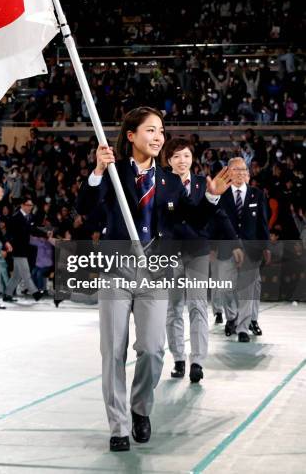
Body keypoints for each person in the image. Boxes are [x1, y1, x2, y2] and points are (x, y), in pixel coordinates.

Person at [77, 106, 232, 452]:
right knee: (112, 352)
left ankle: (140, 409)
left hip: (155, 272)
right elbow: (85, 209)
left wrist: (211, 196)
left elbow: (192, 219)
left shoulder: (170, 182)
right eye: (150, 130)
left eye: (161, 131)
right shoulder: (114, 174)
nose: (158, 137)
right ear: (131, 136)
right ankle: (118, 425)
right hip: (117, 270)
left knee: (152, 349)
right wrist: (99, 171)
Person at [164, 138, 242, 383]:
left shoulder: (203, 184)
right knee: (173, 307)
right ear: (168, 161)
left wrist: (235, 242)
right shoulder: (161, 185)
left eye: (186, 155)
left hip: (198, 252)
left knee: (197, 305)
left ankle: (197, 361)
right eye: (176, 156)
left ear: (192, 159)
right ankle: (178, 357)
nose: (182, 161)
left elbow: (220, 215)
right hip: (170, 254)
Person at [218, 157, 271, 341]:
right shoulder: (221, 195)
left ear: (247, 174)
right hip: (226, 250)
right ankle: (232, 317)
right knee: (225, 287)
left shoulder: (258, 194)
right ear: (228, 173)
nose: (239, 173)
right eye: (235, 169)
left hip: (251, 250)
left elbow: (262, 224)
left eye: (243, 170)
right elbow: (216, 224)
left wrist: (266, 247)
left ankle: (243, 328)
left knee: (248, 290)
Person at [3, 196, 44, 303]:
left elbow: (33, 230)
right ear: (22, 205)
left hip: (25, 250)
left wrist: (45, 234)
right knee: (26, 273)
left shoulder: (30, 217)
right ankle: (35, 293)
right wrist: (6, 246)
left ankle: (7, 294)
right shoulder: (15, 217)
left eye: (31, 205)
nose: (30, 207)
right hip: (17, 250)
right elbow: (9, 234)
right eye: (28, 205)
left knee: (16, 275)